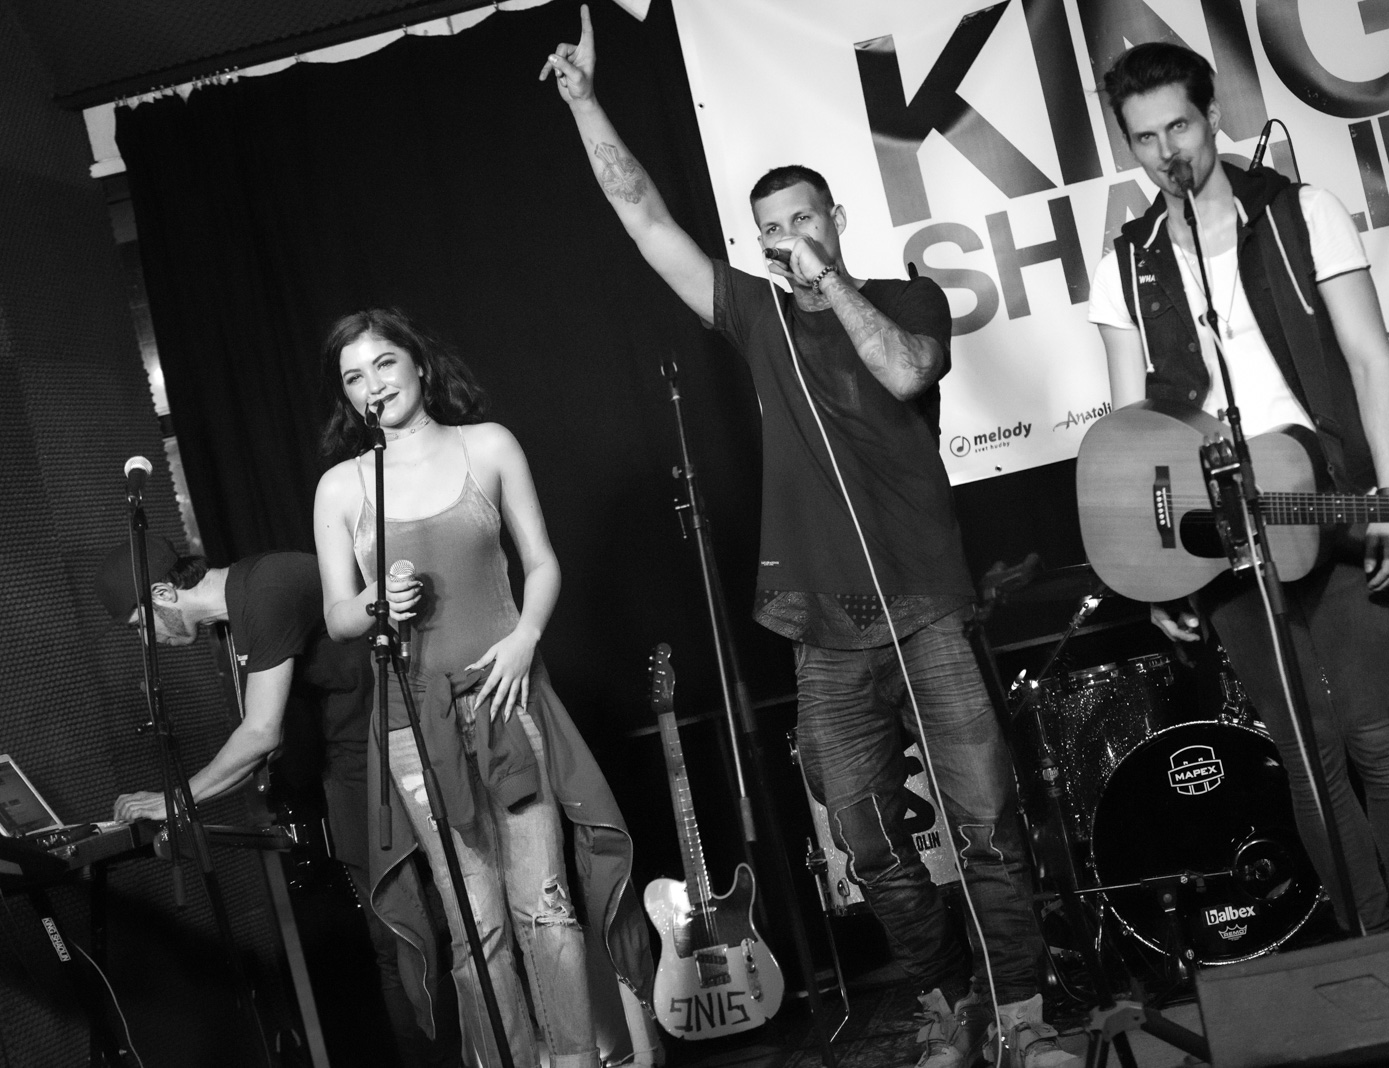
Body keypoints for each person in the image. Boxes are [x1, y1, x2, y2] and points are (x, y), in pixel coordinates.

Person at [542, 10, 1076, 1068]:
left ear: (834, 219)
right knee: (866, 841)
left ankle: (1025, 1017)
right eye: (770, 228)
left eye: (801, 218)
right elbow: (644, 216)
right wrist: (585, 103)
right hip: (823, 629)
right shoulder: (754, 315)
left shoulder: (906, 296)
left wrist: (826, 280)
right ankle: (948, 1003)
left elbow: (906, 372)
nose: (786, 236)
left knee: (984, 822)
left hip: (925, 603)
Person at [1087, 42, 1389, 933]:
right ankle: (1371, 944)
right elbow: (1130, 430)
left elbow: (1370, 360)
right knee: (1307, 754)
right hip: (1218, 531)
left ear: (1213, 117)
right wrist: (1154, 568)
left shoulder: (1302, 213)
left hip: (1329, 496)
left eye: (1179, 126)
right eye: (1144, 138)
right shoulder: (1127, 264)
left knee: (1375, 734)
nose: (1167, 151)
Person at [312, 307, 658, 1068]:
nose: (374, 386)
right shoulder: (342, 487)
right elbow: (338, 615)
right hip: (413, 723)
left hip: (506, 700)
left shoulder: (488, 445)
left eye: (385, 364)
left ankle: (576, 1061)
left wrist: (525, 638)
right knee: (477, 922)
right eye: (354, 377)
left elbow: (543, 562)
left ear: (418, 364)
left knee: (546, 906)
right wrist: (374, 604)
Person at [94, 535, 462, 1068]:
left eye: (140, 627)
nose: (147, 643)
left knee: (421, 932)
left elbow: (261, 732)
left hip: (392, 752)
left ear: (163, 595)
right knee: (394, 942)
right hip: (353, 767)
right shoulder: (237, 619)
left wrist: (174, 800)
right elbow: (266, 747)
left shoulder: (265, 589)